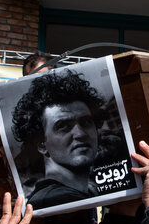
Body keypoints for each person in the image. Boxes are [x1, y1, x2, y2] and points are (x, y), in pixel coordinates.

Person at [11, 69, 102, 208]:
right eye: (63, 126)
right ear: (42, 144)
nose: (80, 134)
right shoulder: (55, 199)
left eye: (86, 122)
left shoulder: (86, 192)